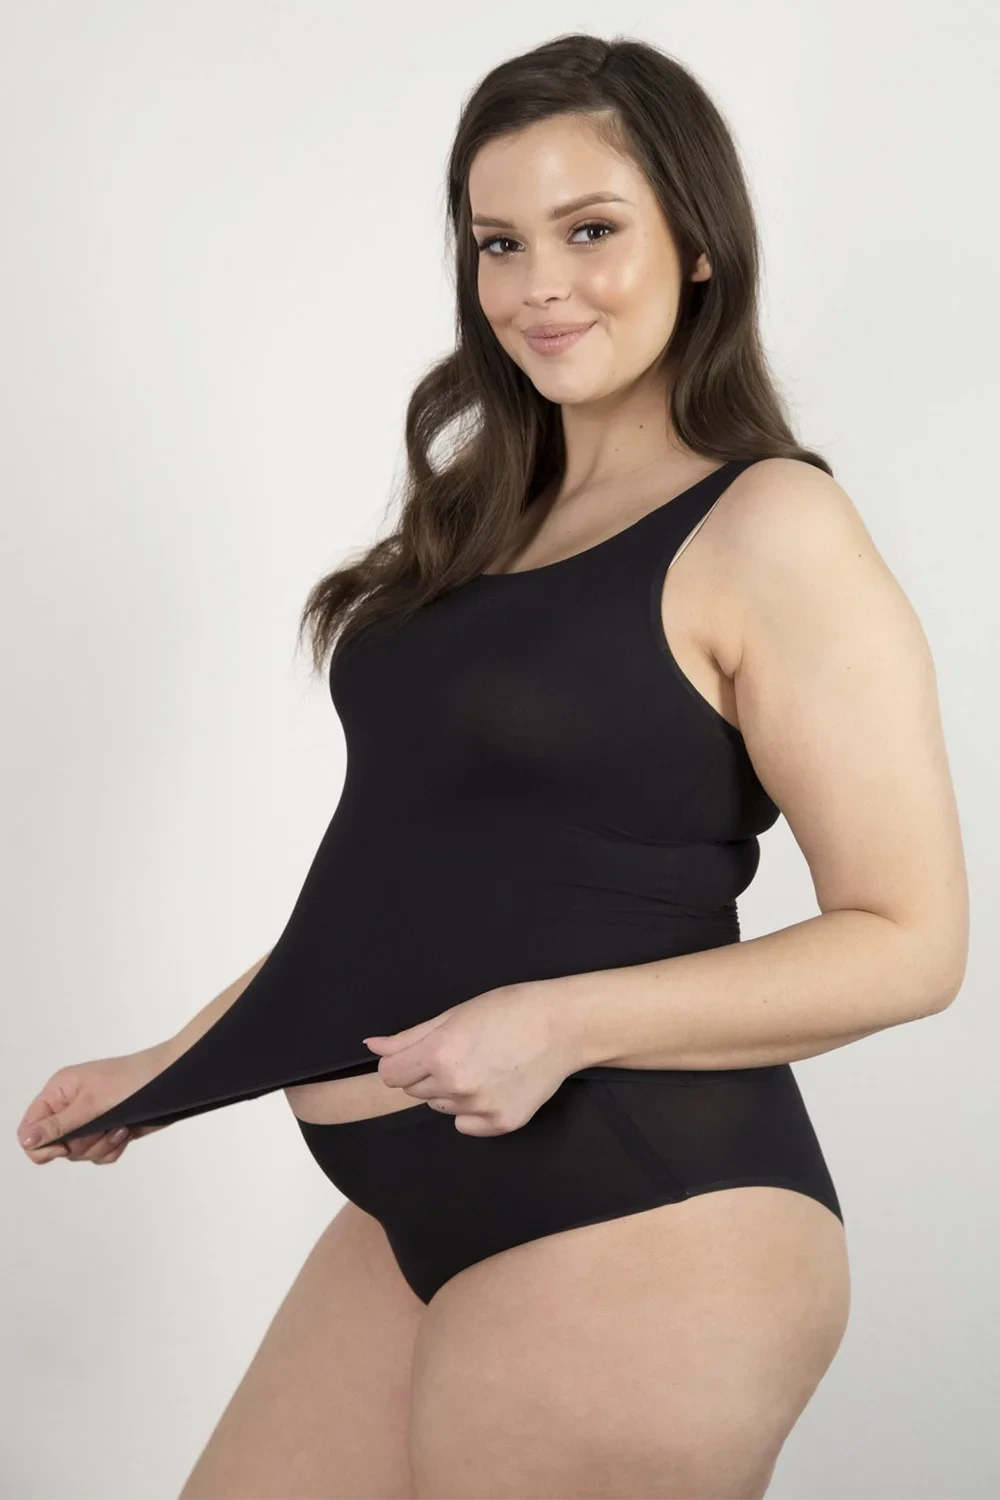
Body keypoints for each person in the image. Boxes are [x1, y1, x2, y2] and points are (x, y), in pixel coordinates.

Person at [17, 32, 968, 1500]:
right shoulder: (480, 523)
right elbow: (407, 884)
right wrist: (174, 1065)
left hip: (644, 1211)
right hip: (415, 1212)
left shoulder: (771, 525)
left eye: (591, 230)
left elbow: (911, 942)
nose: (538, 286)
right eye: (499, 242)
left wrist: (560, 1022)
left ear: (697, 242)